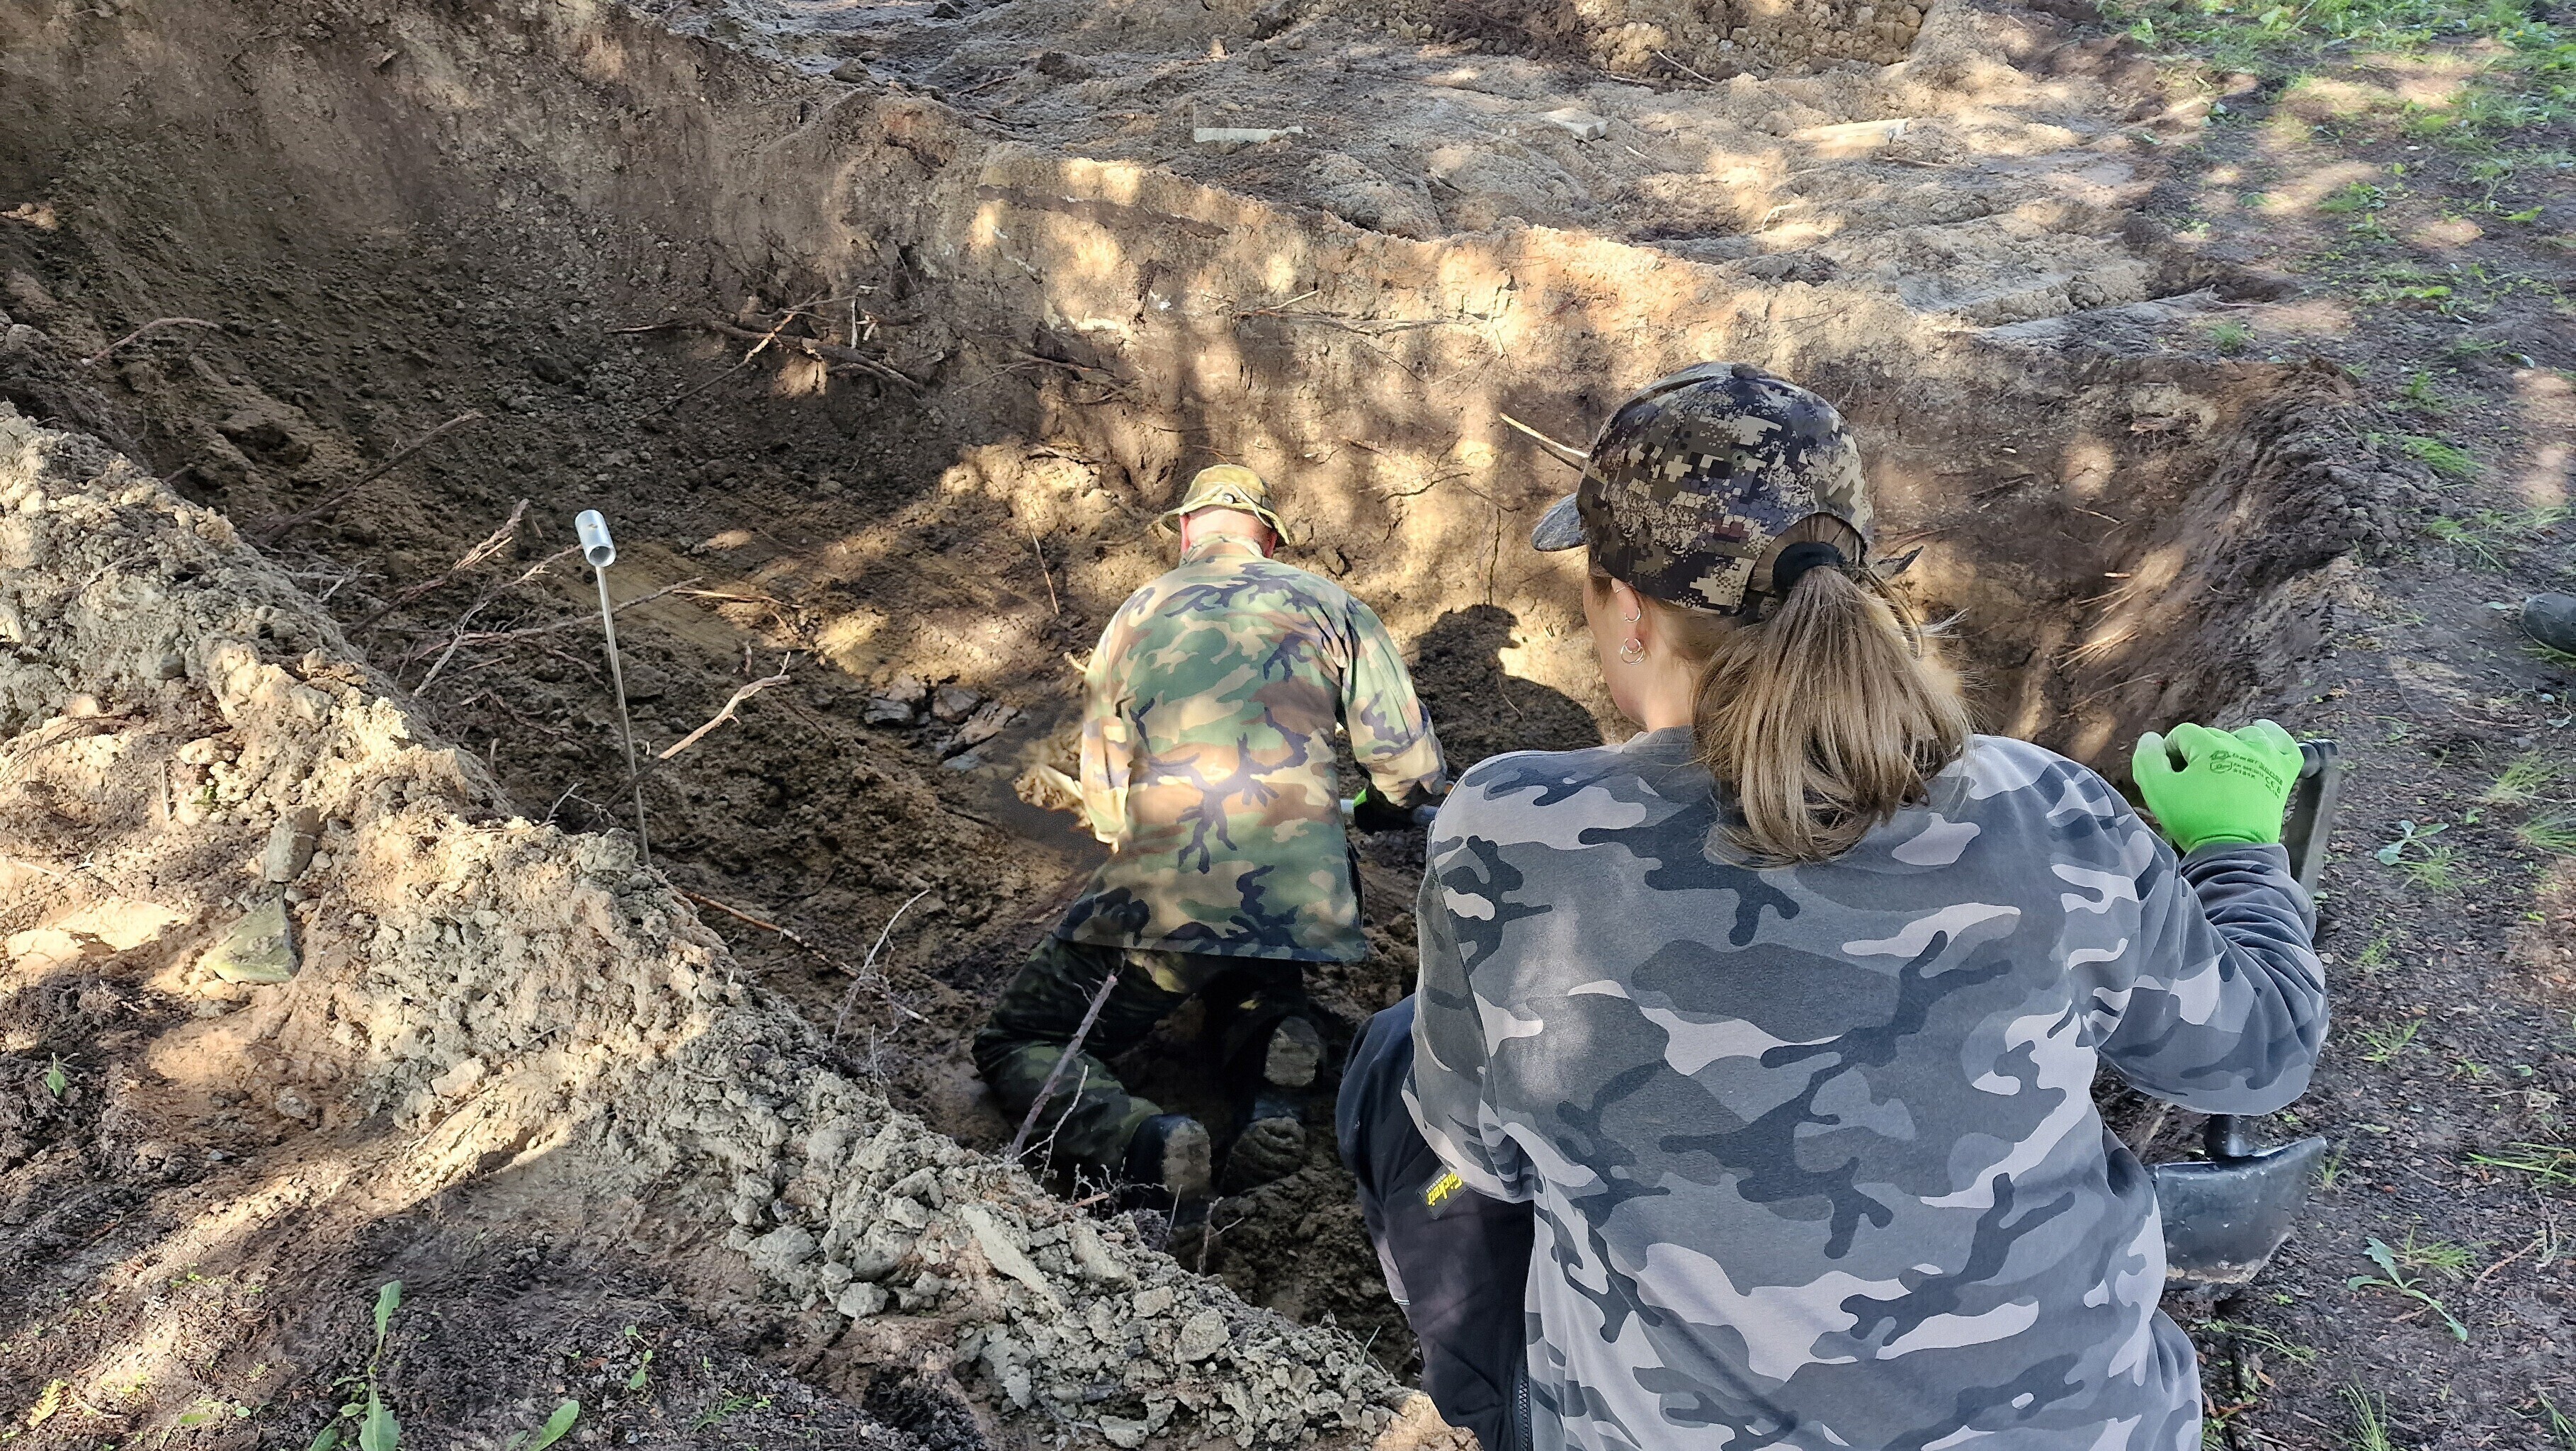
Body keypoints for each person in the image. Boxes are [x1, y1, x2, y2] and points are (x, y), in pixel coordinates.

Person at [1338, 363, 2327, 1451]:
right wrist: (2237, 846)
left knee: (1396, 1064)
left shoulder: (1508, 829)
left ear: (1625, 611)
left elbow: (1478, 1157)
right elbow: (2260, 1057)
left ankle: (1491, 1414)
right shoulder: (2045, 808)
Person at [976, 464, 1448, 1202]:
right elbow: (1411, 770)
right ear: (1268, 536)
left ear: (1186, 530)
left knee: (1021, 1039)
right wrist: (1377, 811)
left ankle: (1144, 1141)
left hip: (1173, 881)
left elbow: (1106, 795)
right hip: (1304, 895)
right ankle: (1272, 1063)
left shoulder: (1135, 613)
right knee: (1248, 959)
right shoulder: (1332, 606)